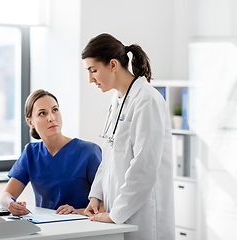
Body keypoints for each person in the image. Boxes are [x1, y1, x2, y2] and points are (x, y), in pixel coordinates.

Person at [81, 33, 175, 240]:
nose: (90, 79)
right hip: (119, 214)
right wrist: (96, 195)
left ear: (113, 65)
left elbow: (145, 166)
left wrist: (115, 215)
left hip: (144, 217)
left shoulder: (147, 100)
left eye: (93, 70)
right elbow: (110, 155)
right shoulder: (117, 100)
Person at [0, 89, 102, 216]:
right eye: (42, 113)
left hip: (84, 226)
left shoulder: (89, 152)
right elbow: (5, 195)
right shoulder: (31, 153)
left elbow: (108, 203)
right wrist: (11, 204)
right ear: (30, 122)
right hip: (46, 228)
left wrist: (78, 212)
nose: (51, 118)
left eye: (55, 110)